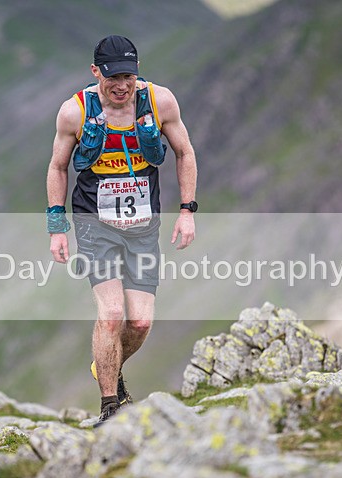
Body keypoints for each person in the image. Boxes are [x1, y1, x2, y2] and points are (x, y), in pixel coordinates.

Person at [45, 35, 198, 427]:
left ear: (138, 71)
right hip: (94, 222)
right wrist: (57, 226)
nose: (121, 85)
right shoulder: (74, 112)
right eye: (112, 77)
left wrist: (187, 210)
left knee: (140, 322)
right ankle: (110, 406)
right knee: (112, 314)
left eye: (128, 76)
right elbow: (58, 167)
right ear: (96, 72)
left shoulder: (160, 102)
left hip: (142, 226)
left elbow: (184, 152)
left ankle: (105, 366)